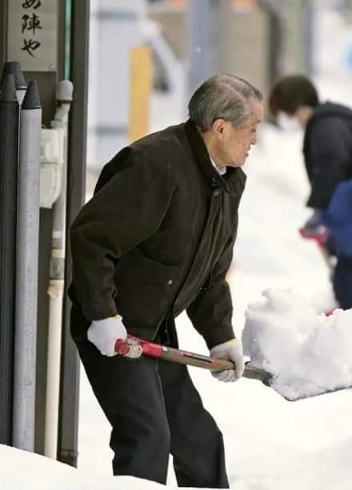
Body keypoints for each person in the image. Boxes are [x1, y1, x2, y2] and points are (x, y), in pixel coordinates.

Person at [67, 74, 263, 487]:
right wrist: (102, 315)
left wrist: (220, 336)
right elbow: (92, 238)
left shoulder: (227, 181)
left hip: (155, 328)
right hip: (114, 327)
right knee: (147, 437)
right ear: (221, 127)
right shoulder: (155, 164)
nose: (255, 140)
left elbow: (209, 272)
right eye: (251, 129)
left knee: (198, 440)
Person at [267, 75, 352, 383]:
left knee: (350, 289)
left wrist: (319, 211)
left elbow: (331, 166)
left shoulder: (326, 127)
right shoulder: (331, 123)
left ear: (293, 106)